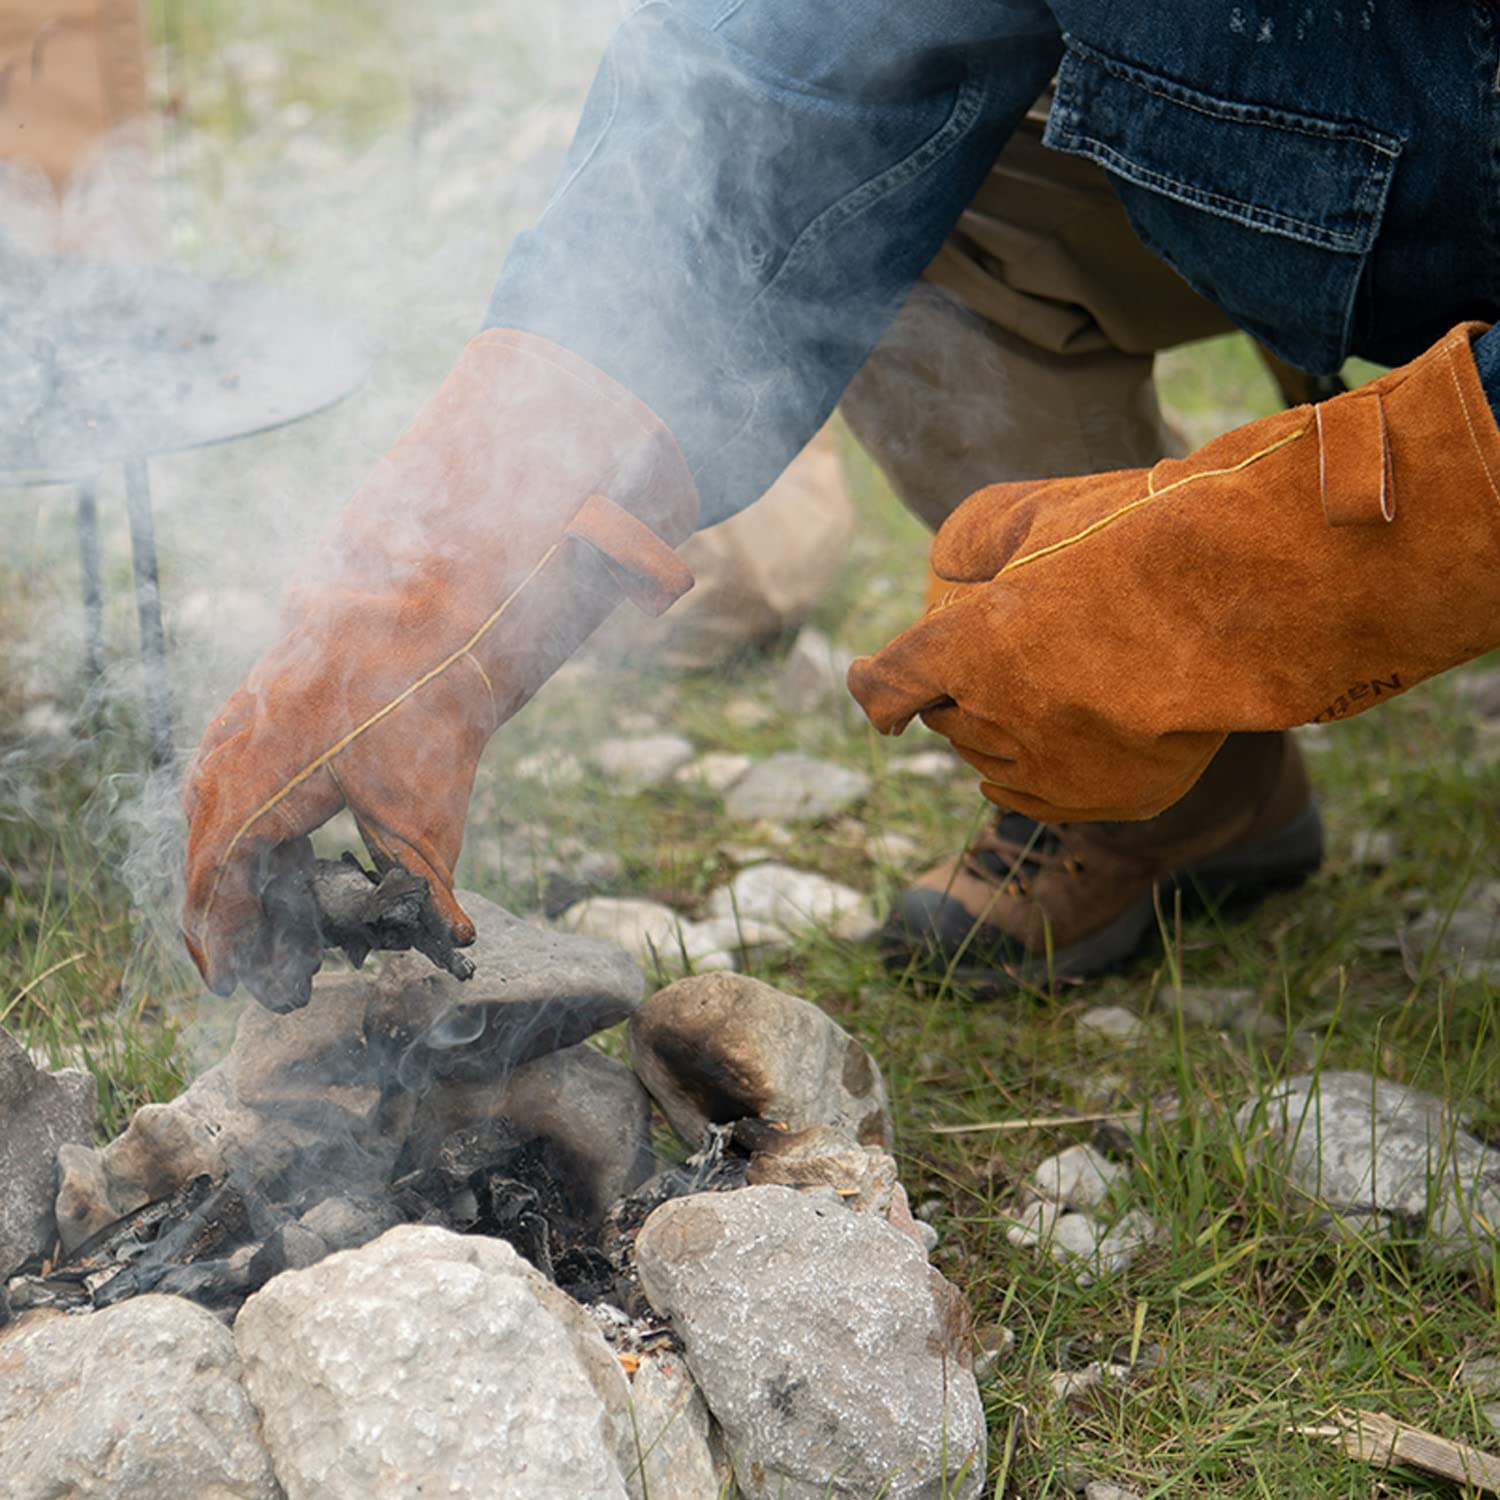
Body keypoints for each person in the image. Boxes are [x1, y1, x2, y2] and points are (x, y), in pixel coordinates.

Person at [181, 0, 1500, 1010]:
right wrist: (439, 569)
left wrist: (1252, 590)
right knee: (903, 199)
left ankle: (1201, 673)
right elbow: (776, 88)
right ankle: (1188, 797)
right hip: (1262, 141)